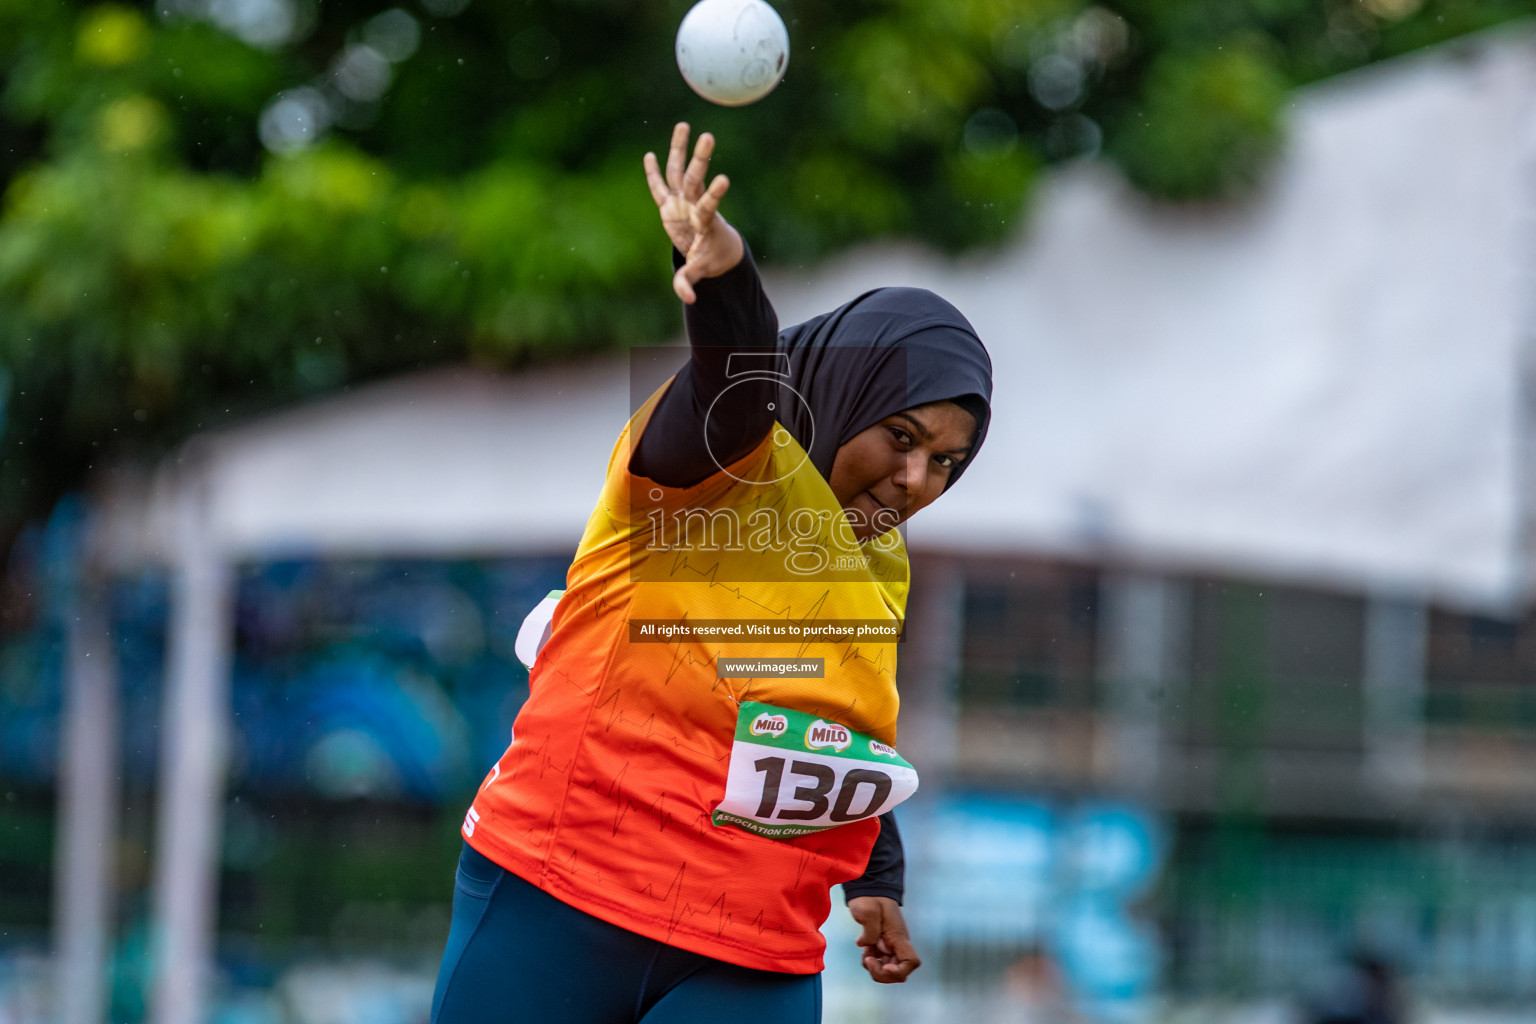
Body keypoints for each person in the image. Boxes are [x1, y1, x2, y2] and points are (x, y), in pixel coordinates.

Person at [430, 122, 993, 1024]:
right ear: (841, 391)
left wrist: (873, 876)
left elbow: (819, 723)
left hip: (750, 948)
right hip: (560, 897)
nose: (916, 480)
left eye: (947, 465)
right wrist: (725, 277)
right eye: (903, 436)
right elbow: (737, 375)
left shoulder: (879, 562)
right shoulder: (726, 458)